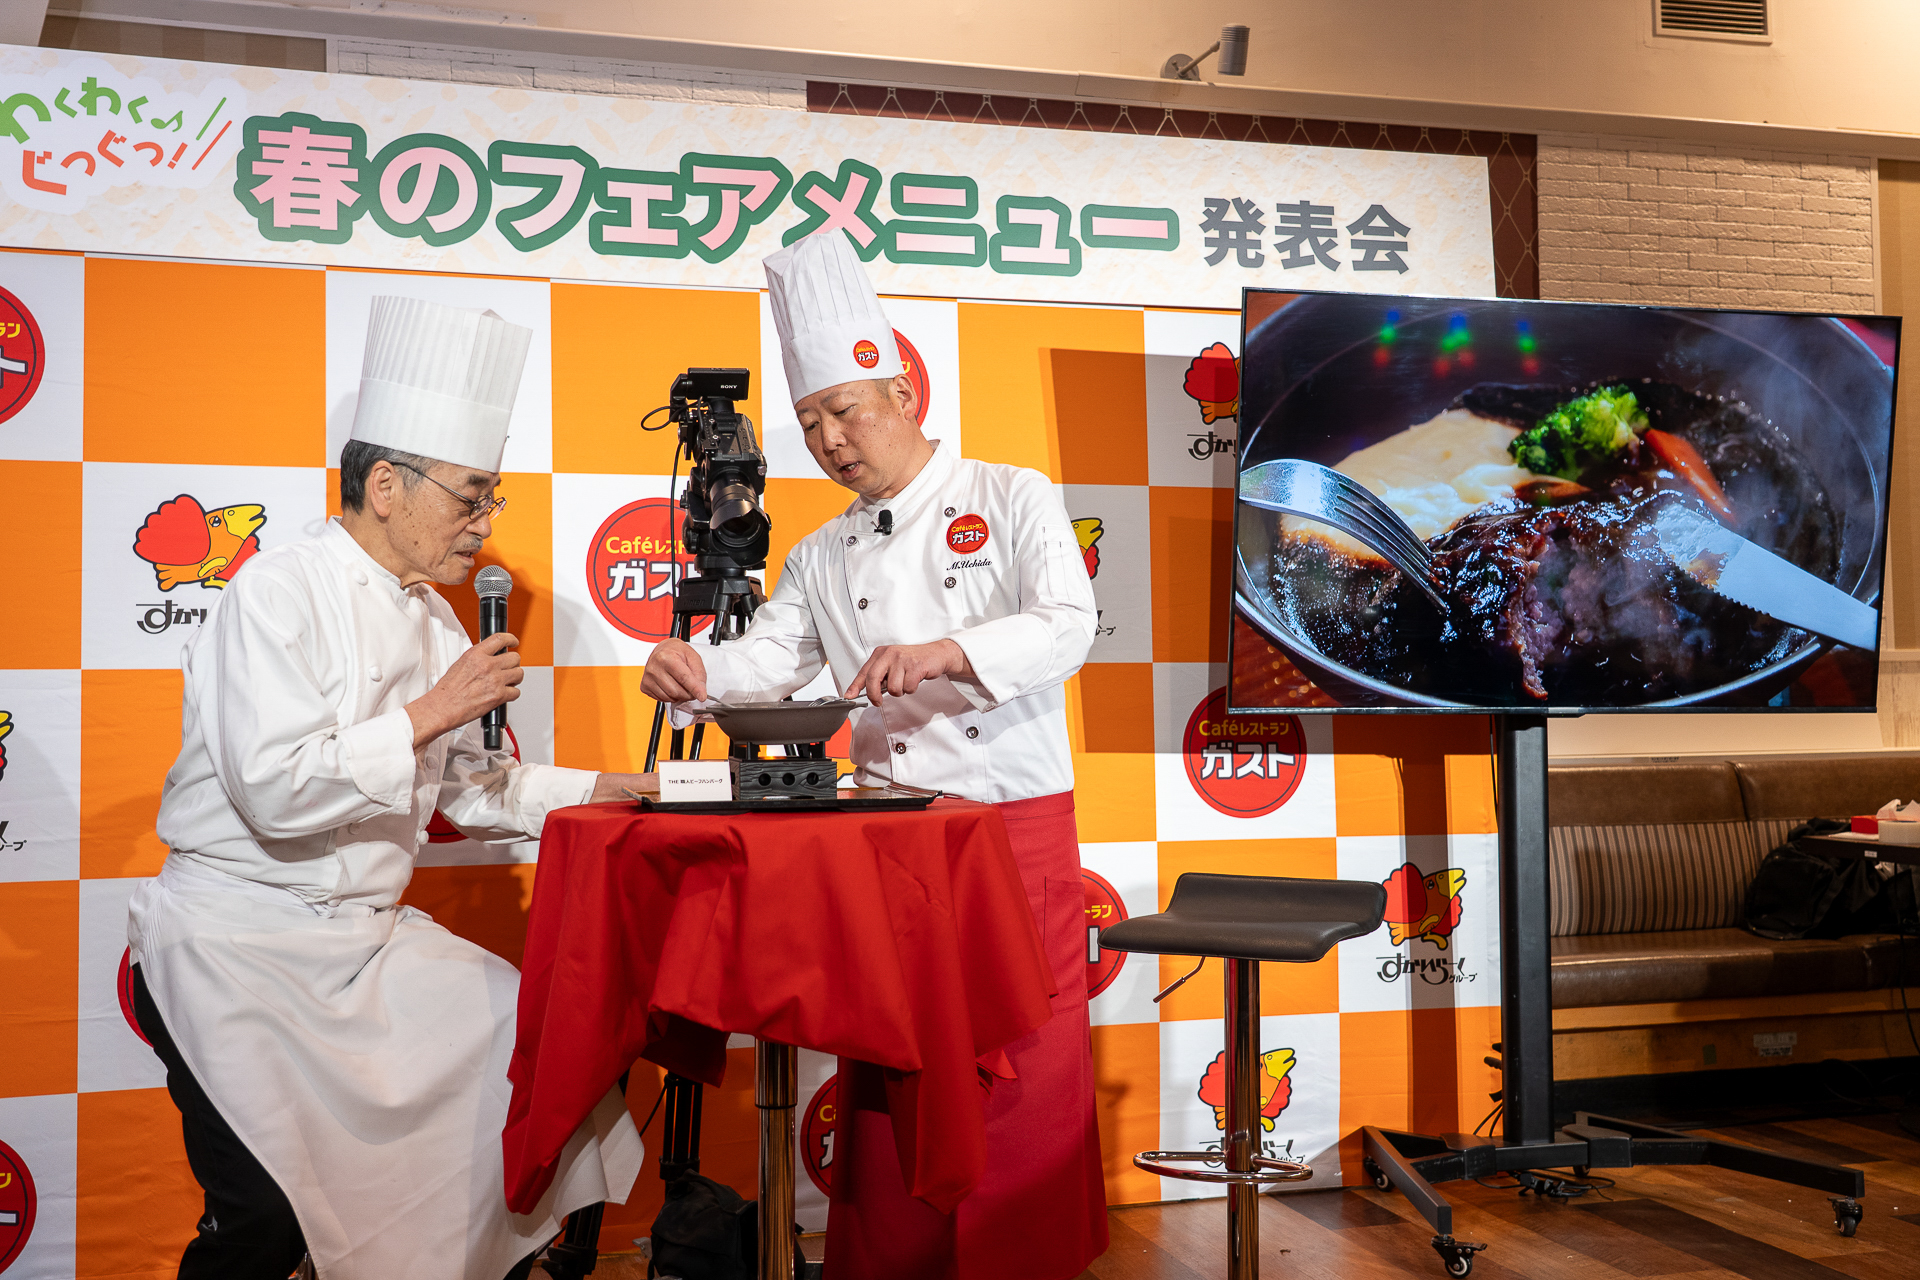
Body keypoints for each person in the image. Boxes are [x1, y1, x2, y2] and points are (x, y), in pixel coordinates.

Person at [129, 297, 648, 1280]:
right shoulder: (274, 591)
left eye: (491, 497)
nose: (485, 523)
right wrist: (431, 710)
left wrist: (633, 785)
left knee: (532, 1055)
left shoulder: (436, 625)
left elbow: (484, 793)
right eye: (471, 495)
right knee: (264, 1224)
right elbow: (273, 790)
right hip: (236, 943)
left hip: (365, 944)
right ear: (384, 483)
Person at [640, 232, 1108, 1280]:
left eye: (846, 409)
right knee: (893, 1067)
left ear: (902, 390)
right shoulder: (821, 550)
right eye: (811, 421)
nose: (831, 438)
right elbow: (774, 654)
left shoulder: (1011, 489)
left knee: (1019, 1067)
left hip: (1010, 834)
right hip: (890, 842)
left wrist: (950, 649)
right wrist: (699, 668)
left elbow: (1069, 622)